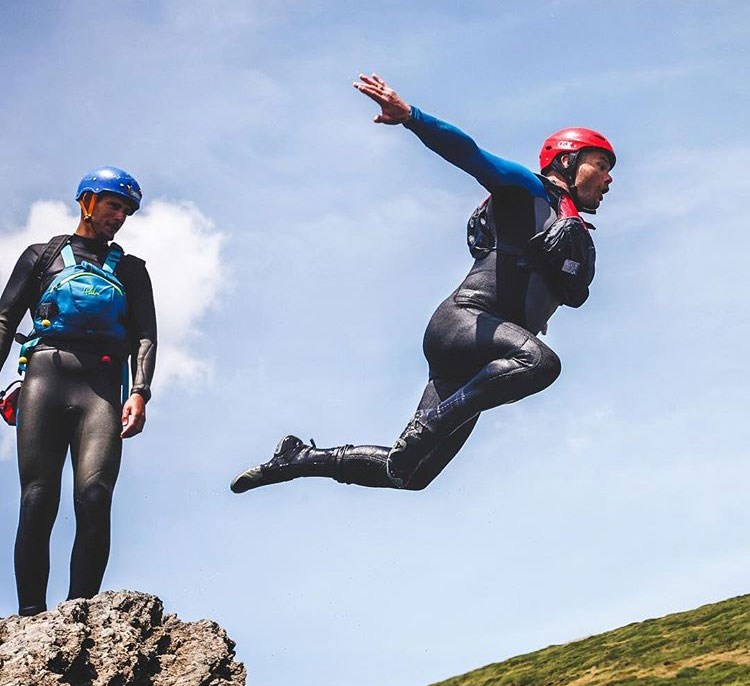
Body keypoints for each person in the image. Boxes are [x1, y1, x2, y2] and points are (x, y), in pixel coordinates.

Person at [231, 73, 614, 494]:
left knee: (408, 473)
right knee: (542, 364)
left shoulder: (573, 233)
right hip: (466, 323)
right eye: (601, 164)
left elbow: (573, 292)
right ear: (566, 160)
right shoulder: (528, 189)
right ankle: (433, 421)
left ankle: (298, 459)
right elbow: (470, 154)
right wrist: (411, 117)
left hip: (485, 357)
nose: (608, 178)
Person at [0, 166, 157, 616]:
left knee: (94, 496)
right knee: (37, 497)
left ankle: (79, 614)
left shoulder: (131, 269)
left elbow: (146, 336)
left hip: (103, 389)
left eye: (126, 211)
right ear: (87, 201)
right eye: (113, 205)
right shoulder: (41, 256)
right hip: (45, 378)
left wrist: (141, 392)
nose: (120, 216)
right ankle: (31, 615)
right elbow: (6, 318)